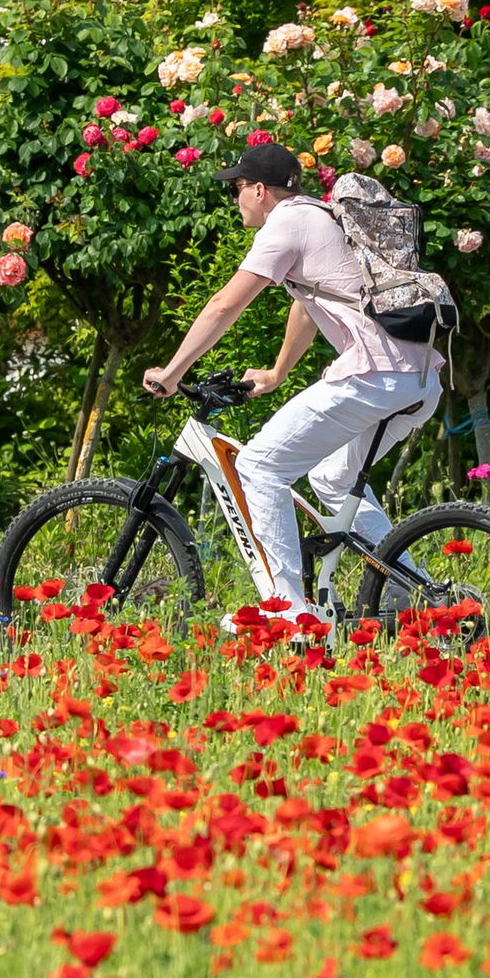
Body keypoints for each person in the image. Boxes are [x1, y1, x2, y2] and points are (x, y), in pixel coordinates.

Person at [141, 142, 442, 625]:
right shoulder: (321, 217)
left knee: (258, 469)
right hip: (420, 376)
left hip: (375, 375)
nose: (235, 198)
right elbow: (307, 300)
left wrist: (171, 373)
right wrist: (278, 372)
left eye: (238, 188)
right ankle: (412, 595)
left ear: (260, 190)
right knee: (331, 477)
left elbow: (225, 305)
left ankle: (287, 616)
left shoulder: (286, 222)